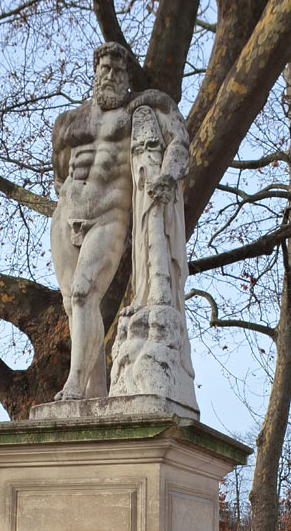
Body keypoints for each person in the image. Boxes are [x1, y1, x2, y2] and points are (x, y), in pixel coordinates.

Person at [50, 42, 189, 401]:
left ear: (128, 77)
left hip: (110, 217)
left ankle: (74, 385)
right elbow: (60, 175)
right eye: (104, 70)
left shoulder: (142, 109)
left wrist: (168, 177)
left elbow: (179, 142)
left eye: (118, 71)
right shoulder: (69, 123)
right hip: (66, 217)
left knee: (84, 292)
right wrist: (69, 197)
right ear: (95, 73)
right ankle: (94, 391)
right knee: (74, 304)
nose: (110, 76)